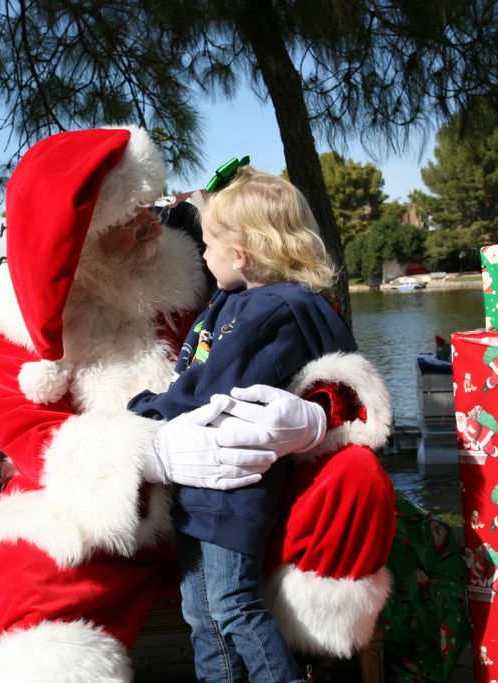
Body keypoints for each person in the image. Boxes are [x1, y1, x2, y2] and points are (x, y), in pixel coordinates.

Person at [0, 126, 396, 682]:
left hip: (239, 489)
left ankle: (317, 654)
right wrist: (152, 457)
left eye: (149, 208)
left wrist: (312, 415)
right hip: (115, 516)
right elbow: (25, 430)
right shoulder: (14, 319)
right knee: (26, 569)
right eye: (130, 222)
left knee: (353, 477)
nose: (152, 226)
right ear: (79, 240)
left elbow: (286, 341)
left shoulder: (197, 268)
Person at [128, 167, 352, 682]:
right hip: (199, 478)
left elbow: (218, 383)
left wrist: (148, 407)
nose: (202, 255)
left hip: (236, 481)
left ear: (242, 254)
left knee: (233, 603)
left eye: (207, 244)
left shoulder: (275, 311)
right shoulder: (234, 299)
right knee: (201, 613)